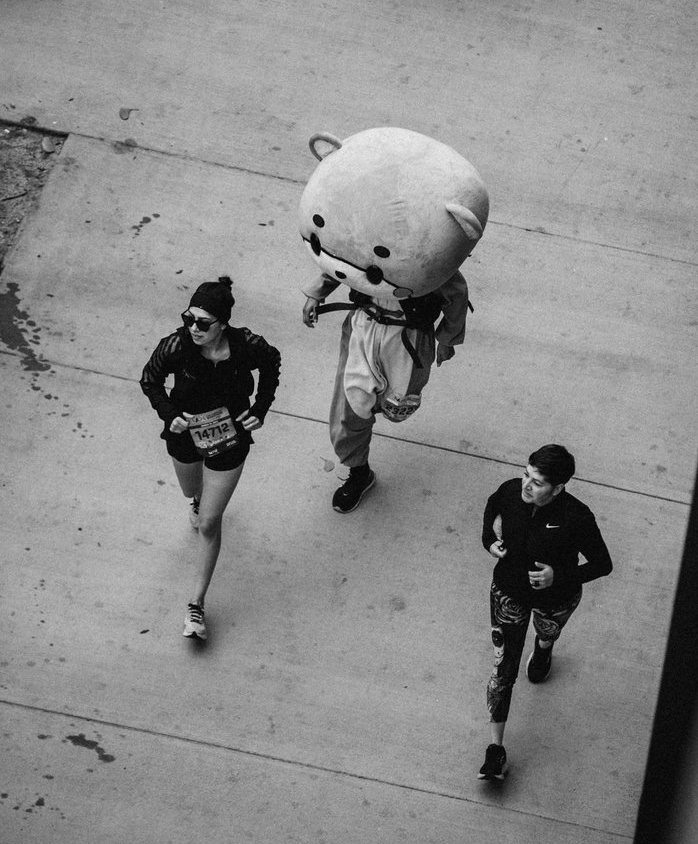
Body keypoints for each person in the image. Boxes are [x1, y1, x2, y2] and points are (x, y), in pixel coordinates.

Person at [140, 276, 281, 642]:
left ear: (223, 323)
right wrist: (169, 413)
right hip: (185, 434)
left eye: (203, 323)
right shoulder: (176, 346)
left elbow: (272, 362)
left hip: (229, 438)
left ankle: (196, 606)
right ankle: (197, 500)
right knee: (191, 489)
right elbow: (149, 380)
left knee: (208, 524)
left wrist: (261, 407)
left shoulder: (247, 346)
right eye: (189, 319)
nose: (193, 328)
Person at [478, 444, 613, 779]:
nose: (526, 484)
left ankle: (544, 648)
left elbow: (603, 564)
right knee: (503, 668)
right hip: (509, 594)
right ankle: (495, 750)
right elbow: (492, 505)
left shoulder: (577, 518)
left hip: (556, 599)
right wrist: (487, 538)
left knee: (547, 632)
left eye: (537, 482)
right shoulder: (511, 491)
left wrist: (559, 575)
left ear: (558, 488)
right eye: (526, 474)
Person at [302, 270, 469, 512]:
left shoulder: (424, 240)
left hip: (409, 336)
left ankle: (375, 414)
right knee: (351, 408)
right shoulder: (368, 232)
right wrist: (317, 293)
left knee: (397, 405)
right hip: (363, 328)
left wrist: (448, 338)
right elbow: (343, 254)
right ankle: (359, 473)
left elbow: (453, 287)